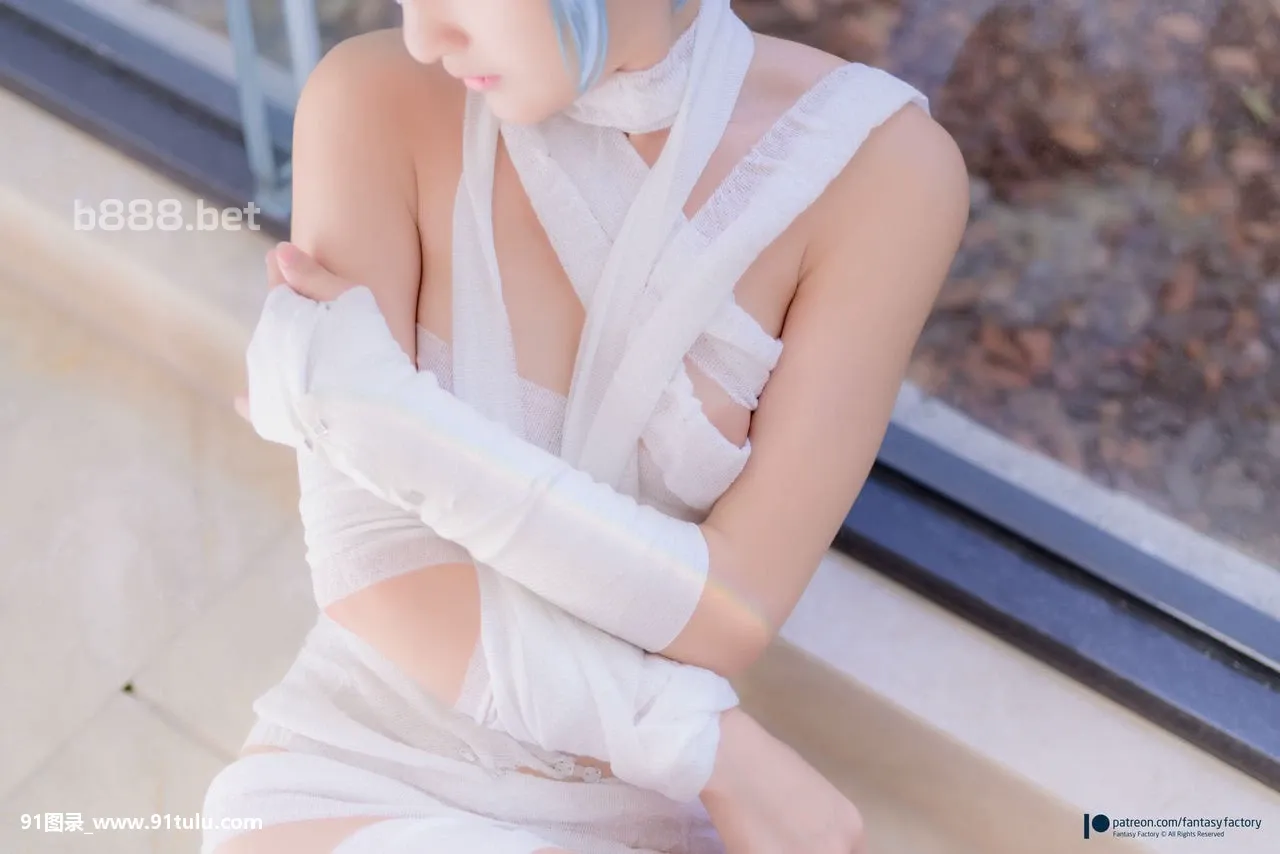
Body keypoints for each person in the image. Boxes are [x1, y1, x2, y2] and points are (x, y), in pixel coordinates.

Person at [204, 0, 970, 851]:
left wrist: (385, 424)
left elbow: (728, 615)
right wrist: (705, 746)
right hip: (360, 772)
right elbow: (374, 568)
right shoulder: (375, 95)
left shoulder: (878, 173)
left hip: (640, 808)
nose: (426, 34)